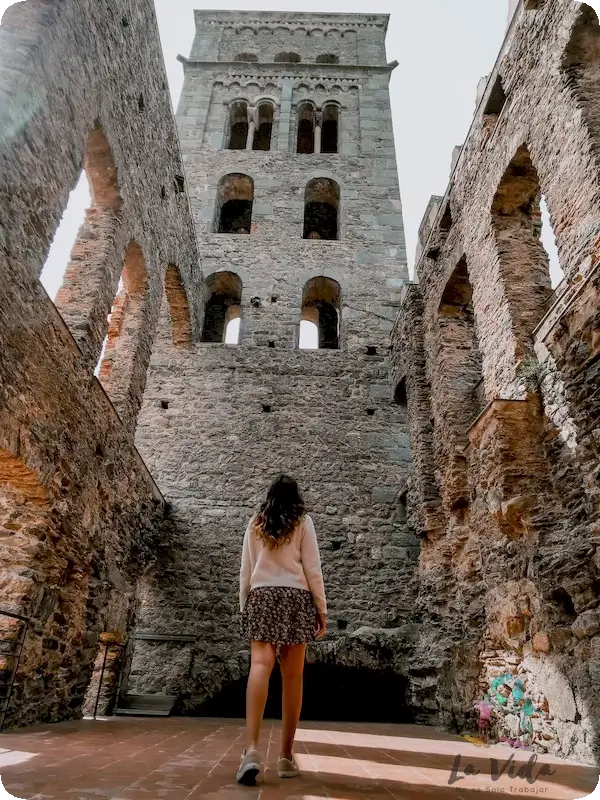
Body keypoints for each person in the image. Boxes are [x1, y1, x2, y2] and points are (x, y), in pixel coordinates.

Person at [236, 474, 327, 785]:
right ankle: (286, 757)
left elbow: (245, 571)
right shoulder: (303, 522)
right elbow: (313, 569)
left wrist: (244, 606)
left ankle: (250, 751)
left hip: (260, 596)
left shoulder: (255, 523)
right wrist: (321, 609)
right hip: (296, 598)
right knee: (292, 675)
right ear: (296, 496)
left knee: (260, 666)